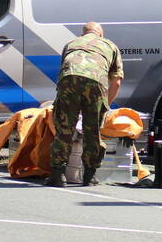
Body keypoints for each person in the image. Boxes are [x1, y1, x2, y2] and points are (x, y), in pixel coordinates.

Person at [45, 22, 123, 187]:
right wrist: (105, 105)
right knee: (92, 130)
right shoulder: (110, 45)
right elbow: (116, 82)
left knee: (64, 127)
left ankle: (58, 174)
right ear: (100, 34)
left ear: (83, 34)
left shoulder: (71, 44)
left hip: (69, 78)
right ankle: (89, 175)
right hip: (96, 82)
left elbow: (64, 70)